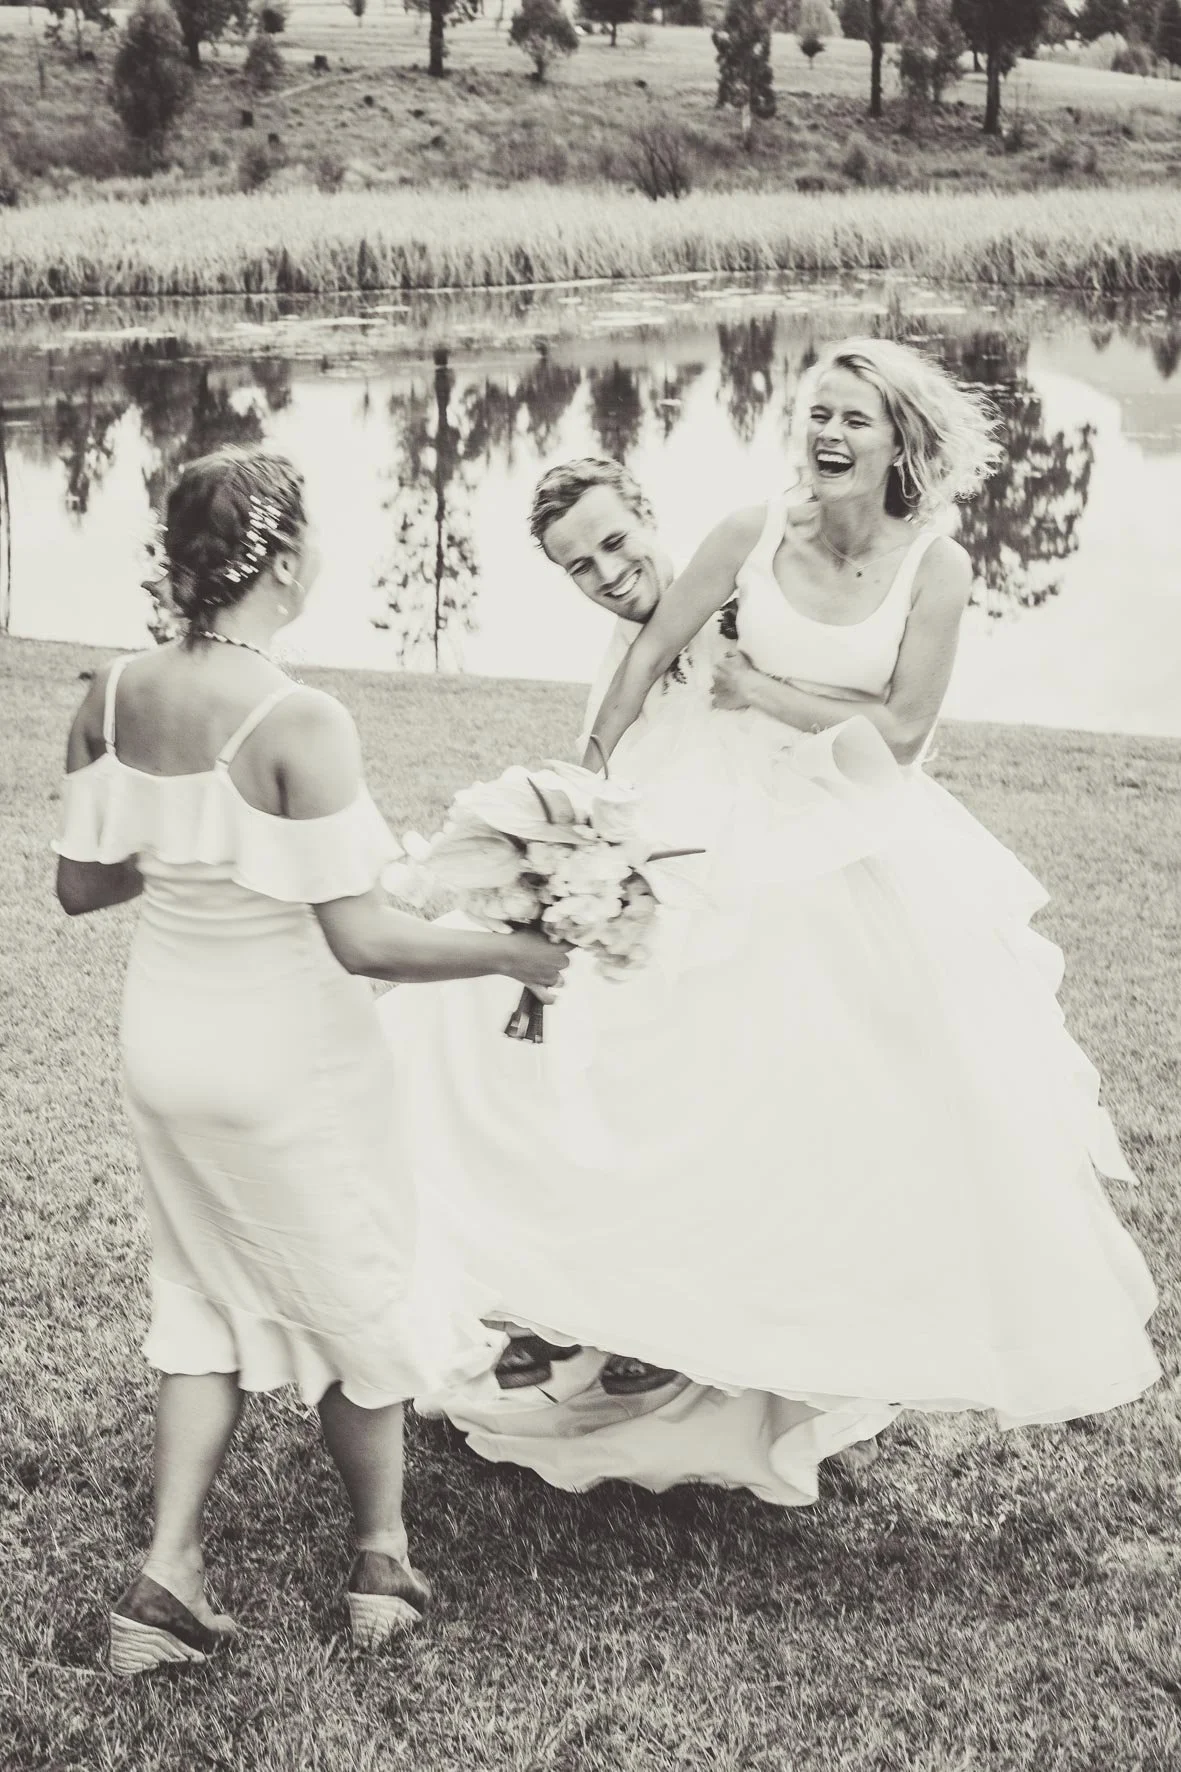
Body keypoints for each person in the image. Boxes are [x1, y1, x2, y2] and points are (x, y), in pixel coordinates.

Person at [384, 339, 1158, 1508]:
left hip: (846, 830)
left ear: (900, 438)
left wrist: (765, 694)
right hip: (705, 805)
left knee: (827, 1077)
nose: (826, 434)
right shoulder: (751, 531)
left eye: (852, 417)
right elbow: (649, 654)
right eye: (815, 414)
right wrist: (579, 797)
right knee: (644, 1046)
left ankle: (752, 1333)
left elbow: (900, 730)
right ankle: (605, 1305)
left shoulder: (937, 567)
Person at [53, 446, 568, 1675]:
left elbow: (82, 885)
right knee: (355, 1291)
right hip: (288, 1059)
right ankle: (381, 1560)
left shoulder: (110, 692)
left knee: (199, 1293)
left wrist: (195, 852)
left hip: (166, 1047)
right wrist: (518, 954)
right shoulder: (297, 718)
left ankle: (167, 1575)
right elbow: (363, 941)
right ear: (283, 559)